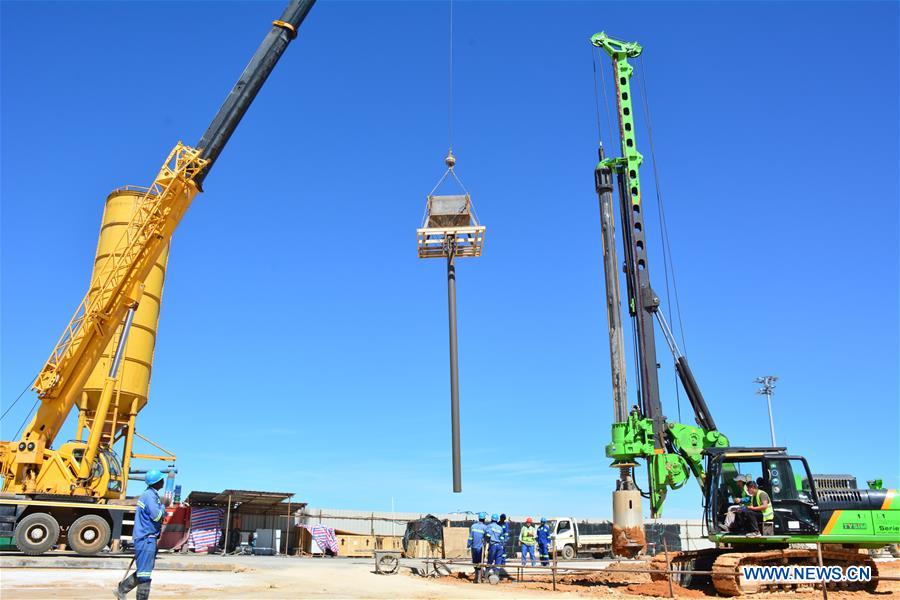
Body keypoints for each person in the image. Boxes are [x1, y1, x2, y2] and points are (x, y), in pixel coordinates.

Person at [115, 470, 169, 600]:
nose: (163, 481)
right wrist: (163, 508)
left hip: (147, 538)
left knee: (144, 570)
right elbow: (156, 516)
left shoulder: (149, 495)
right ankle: (127, 592)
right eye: (161, 479)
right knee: (144, 574)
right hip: (146, 538)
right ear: (156, 482)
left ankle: (121, 590)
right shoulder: (150, 496)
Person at [467, 512, 488, 581]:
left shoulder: (473, 526)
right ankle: (478, 578)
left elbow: (470, 537)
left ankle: (477, 577)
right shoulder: (485, 527)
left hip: (473, 547)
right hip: (480, 548)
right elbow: (487, 537)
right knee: (480, 562)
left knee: (475, 562)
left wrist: (468, 545)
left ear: (478, 518)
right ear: (484, 519)